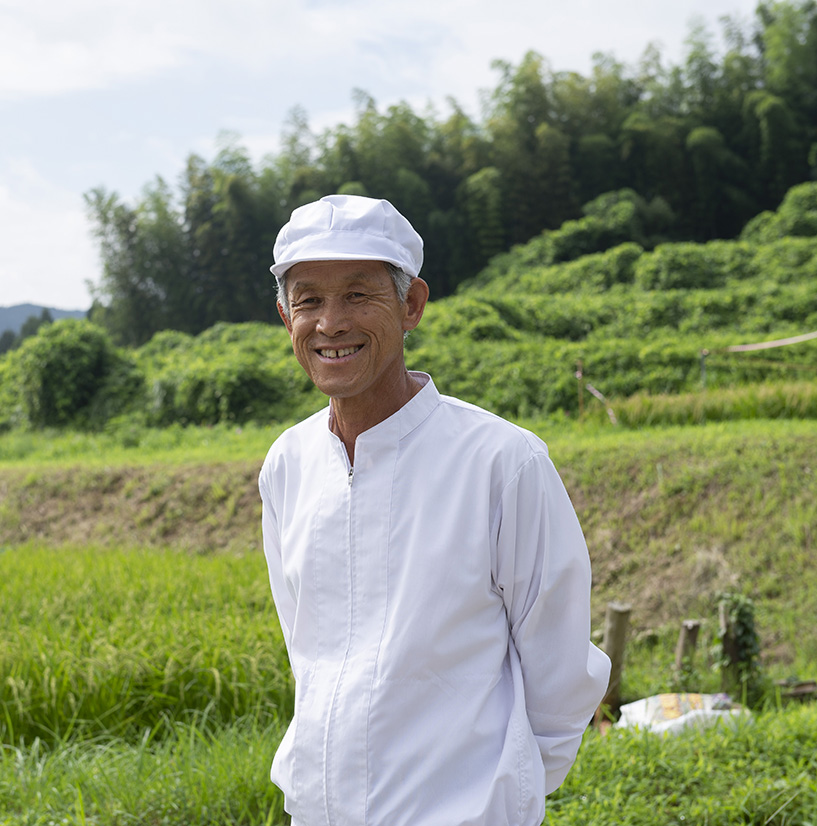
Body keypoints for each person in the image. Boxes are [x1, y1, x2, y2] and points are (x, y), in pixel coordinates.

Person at [258, 194, 611, 826]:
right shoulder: (289, 464)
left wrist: (501, 799)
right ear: (287, 317)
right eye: (308, 300)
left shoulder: (502, 462)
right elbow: (307, 653)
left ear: (412, 305)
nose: (330, 323)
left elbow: (559, 678)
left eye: (358, 295)